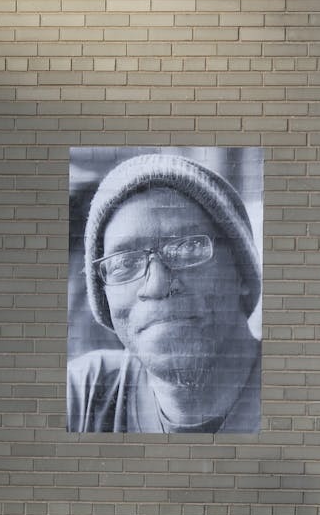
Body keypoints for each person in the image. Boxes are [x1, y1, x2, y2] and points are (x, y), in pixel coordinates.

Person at [67, 151, 262, 433]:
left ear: (241, 271)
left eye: (187, 248)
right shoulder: (83, 395)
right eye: (124, 263)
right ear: (104, 299)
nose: (157, 285)